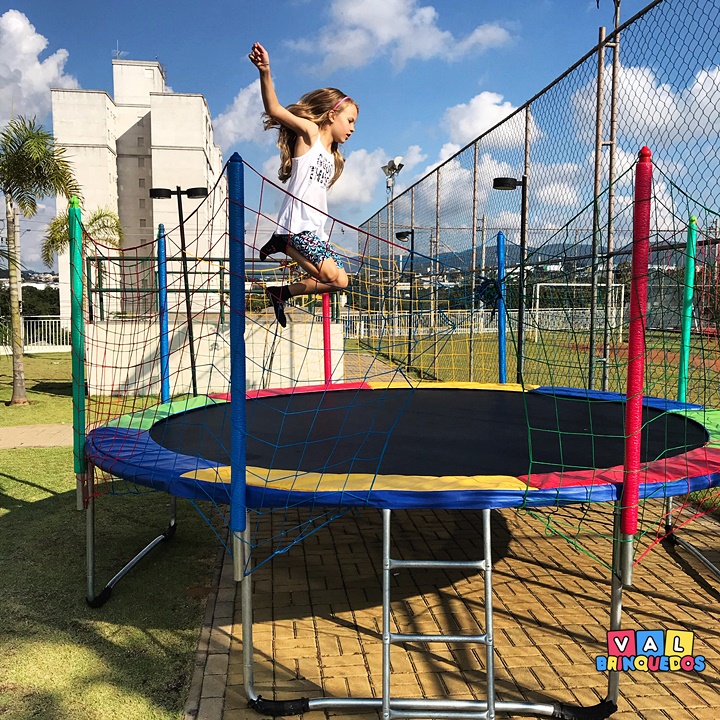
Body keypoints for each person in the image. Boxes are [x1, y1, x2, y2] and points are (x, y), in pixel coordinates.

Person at [249, 41, 357, 327]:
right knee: (330, 276)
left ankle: (281, 292)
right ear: (332, 115)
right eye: (349, 120)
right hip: (297, 227)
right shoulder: (309, 134)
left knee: (341, 281)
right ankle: (281, 240)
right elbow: (273, 109)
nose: (352, 128)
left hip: (315, 231)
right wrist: (265, 71)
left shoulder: (333, 156)